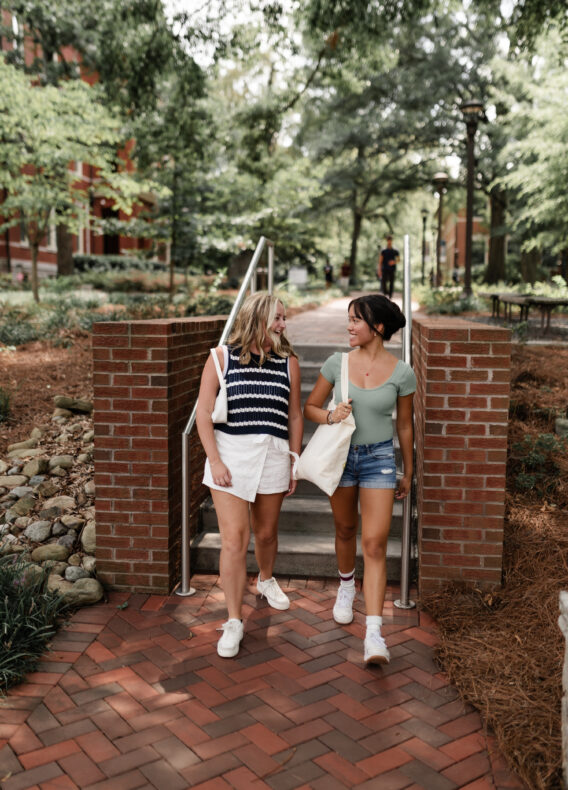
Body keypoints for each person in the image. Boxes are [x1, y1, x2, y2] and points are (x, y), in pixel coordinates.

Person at [303, 294, 416, 666]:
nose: (349, 326)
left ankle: (374, 634)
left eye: (356, 320)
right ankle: (347, 586)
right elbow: (310, 409)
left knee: (375, 542)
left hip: (380, 460)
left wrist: (408, 470)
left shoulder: (402, 372)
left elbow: (404, 425)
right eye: (348, 319)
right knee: (345, 528)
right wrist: (331, 415)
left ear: (378, 327)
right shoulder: (338, 363)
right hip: (341, 457)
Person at [196, 292, 303, 658]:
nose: (282, 325)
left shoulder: (289, 362)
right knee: (234, 541)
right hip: (230, 456)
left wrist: (294, 458)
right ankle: (233, 621)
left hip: (273, 454)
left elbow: (294, 416)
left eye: (283, 319)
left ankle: (267, 579)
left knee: (267, 533)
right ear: (256, 317)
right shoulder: (221, 357)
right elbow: (203, 414)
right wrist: (215, 461)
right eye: (277, 318)